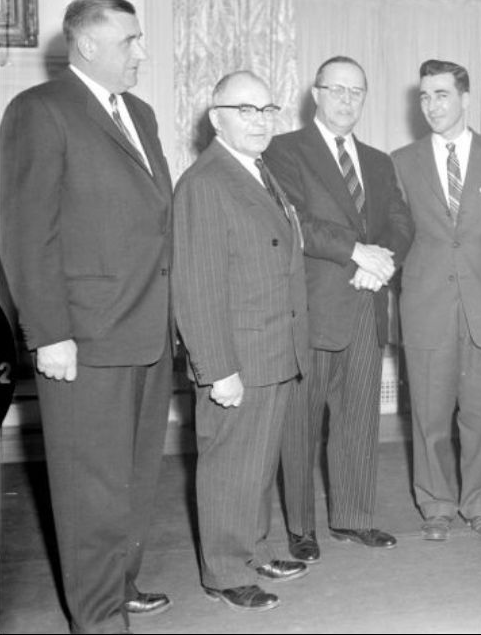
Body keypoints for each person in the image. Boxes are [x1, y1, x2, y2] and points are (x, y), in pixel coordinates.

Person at [0, 0, 175, 633]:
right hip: (84, 336)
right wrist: (49, 333)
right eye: (131, 40)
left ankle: (118, 586)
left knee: (133, 477)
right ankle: (96, 618)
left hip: (146, 329)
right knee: (90, 487)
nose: (142, 52)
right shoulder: (40, 110)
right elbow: (26, 231)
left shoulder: (141, 114)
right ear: (88, 44)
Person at [265, 55, 413, 561]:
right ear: (316, 93)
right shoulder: (284, 150)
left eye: (357, 91)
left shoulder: (379, 160)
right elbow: (294, 220)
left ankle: (353, 518)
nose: (347, 100)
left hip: (367, 305)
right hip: (312, 312)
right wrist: (357, 252)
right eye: (338, 89)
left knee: (358, 423)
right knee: (300, 426)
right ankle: (301, 528)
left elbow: (401, 222)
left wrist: (382, 262)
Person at [172, 71, 310, 611]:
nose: (260, 121)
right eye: (245, 110)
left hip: (272, 348)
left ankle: (253, 549)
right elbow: (197, 286)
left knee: (257, 464)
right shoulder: (206, 183)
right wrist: (218, 369)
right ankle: (225, 573)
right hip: (238, 357)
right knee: (230, 465)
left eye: (267, 110)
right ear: (216, 118)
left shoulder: (256, 170)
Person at [392, 59, 481, 542]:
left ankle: (480, 503)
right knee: (429, 415)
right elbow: (394, 234)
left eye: (441, 94)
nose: (432, 105)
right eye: (424, 96)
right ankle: (436, 504)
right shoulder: (401, 162)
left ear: (465, 98)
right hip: (427, 307)